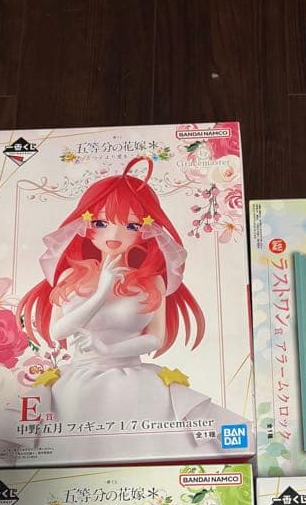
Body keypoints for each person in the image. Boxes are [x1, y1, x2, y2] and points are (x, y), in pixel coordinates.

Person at [15, 157, 247, 458]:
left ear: (145, 231)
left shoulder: (152, 282)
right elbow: (58, 330)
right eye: (101, 223)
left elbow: (155, 338)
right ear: (86, 226)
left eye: (131, 225)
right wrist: (100, 292)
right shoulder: (71, 275)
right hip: (79, 378)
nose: (114, 236)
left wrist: (109, 349)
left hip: (135, 377)